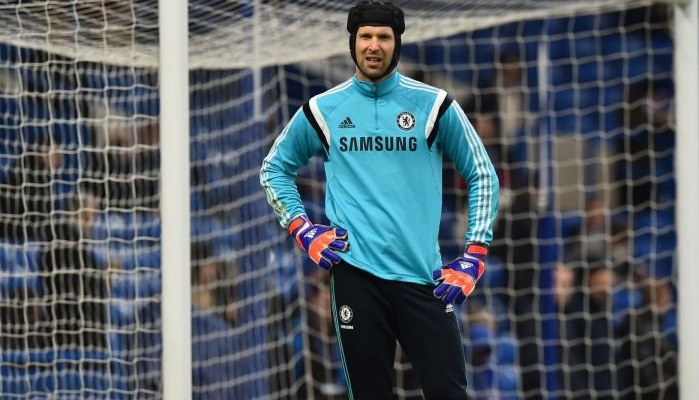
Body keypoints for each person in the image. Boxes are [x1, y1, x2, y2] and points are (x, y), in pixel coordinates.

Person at [260, 1, 499, 398]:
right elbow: (273, 169)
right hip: (356, 279)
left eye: (384, 37)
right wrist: (302, 228)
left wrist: (475, 254)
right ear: (352, 42)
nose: (374, 45)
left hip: (423, 278)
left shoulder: (435, 106)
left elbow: (482, 174)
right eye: (365, 36)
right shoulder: (323, 109)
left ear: (397, 43)